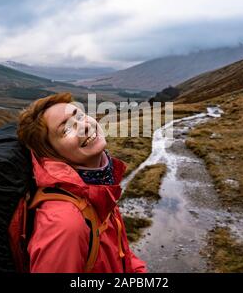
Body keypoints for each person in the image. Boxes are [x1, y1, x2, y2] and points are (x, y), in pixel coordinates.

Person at [17, 92, 147, 273]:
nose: (84, 126)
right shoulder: (64, 225)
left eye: (79, 115)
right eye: (66, 129)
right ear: (51, 153)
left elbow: (121, 252)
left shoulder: (97, 186)